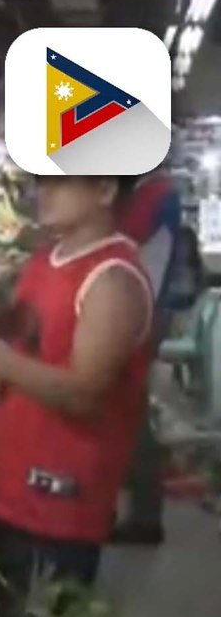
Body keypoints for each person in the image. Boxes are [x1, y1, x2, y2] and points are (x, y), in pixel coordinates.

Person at [0, 175, 153, 596]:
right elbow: (36, 339)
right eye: (42, 181)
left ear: (105, 190)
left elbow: (84, 395)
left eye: (60, 182)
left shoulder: (113, 280)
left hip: (59, 504)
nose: (44, 192)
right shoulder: (47, 258)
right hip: (7, 485)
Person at [110, 166, 195, 545]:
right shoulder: (150, 191)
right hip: (139, 309)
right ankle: (128, 505)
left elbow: (120, 241)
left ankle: (145, 516)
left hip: (137, 315)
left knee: (128, 410)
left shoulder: (155, 196)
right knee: (123, 409)